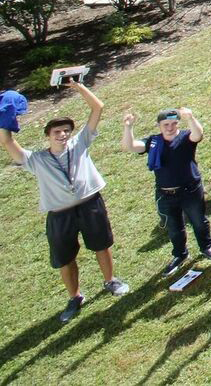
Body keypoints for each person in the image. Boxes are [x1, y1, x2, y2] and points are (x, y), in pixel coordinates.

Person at [0, 80, 129, 322]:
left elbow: (97, 108)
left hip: (91, 204)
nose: (63, 135)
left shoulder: (79, 144)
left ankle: (110, 281)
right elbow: (7, 142)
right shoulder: (35, 159)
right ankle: (75, 297)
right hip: (60, 215)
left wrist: (79, 88)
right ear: (47, 136)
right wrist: (3, 120)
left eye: (66, 131)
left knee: (102, 245)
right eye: (57, 132)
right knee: (65, 258)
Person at [120, 107, 211, 276]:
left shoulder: (184, 137)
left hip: (190, 189)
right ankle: (180, 254)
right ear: (159, 125)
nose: (170, 127)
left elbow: (198, 135)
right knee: (174, 228)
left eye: (174, 123)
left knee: (198, 221)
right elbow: (129, 146)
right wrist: (128, 127)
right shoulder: (154, 142)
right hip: (165, 194)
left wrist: (190, 117)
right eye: (165, 124)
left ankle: (207, 247)